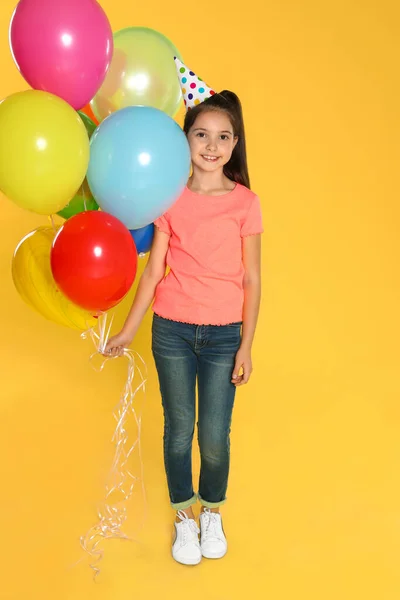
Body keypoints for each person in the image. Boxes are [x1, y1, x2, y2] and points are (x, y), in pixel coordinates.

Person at [104, 58, 263, 565]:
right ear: (184, 140)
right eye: (201, 135)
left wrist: (246, 344)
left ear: (234, 145)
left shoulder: (245, 203)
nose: (212, 147)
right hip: (171, 329)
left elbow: (252, 278)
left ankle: (211, 511)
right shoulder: (169, 198)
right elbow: (153, 271)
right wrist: (129, 330)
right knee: (178, 431)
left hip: (223, 337)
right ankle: (183, 520)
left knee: (214, 436)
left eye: (223, 137)